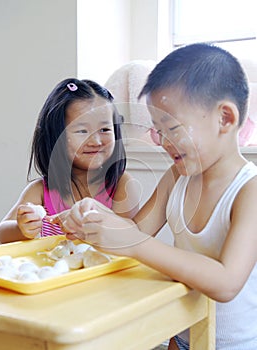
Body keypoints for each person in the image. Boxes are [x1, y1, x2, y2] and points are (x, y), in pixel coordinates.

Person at [52, 44, 257, 350]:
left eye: (171, 128)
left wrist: (134, 243)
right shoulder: (177, 178)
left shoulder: (249, 190)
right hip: (184, 333)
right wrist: (96, 215)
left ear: (225, 119)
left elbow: (226, 283)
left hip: (236, 344)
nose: (161, 141)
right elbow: (136, 232)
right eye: (156, 129)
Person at [0, 78, 139, 244]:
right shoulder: (41, 191)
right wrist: (22, 228)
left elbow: (130, 234)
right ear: (55, 137)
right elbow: (1, 234)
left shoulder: (122, 183)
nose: (96, 141)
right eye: (82, 130)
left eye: (105, 129)